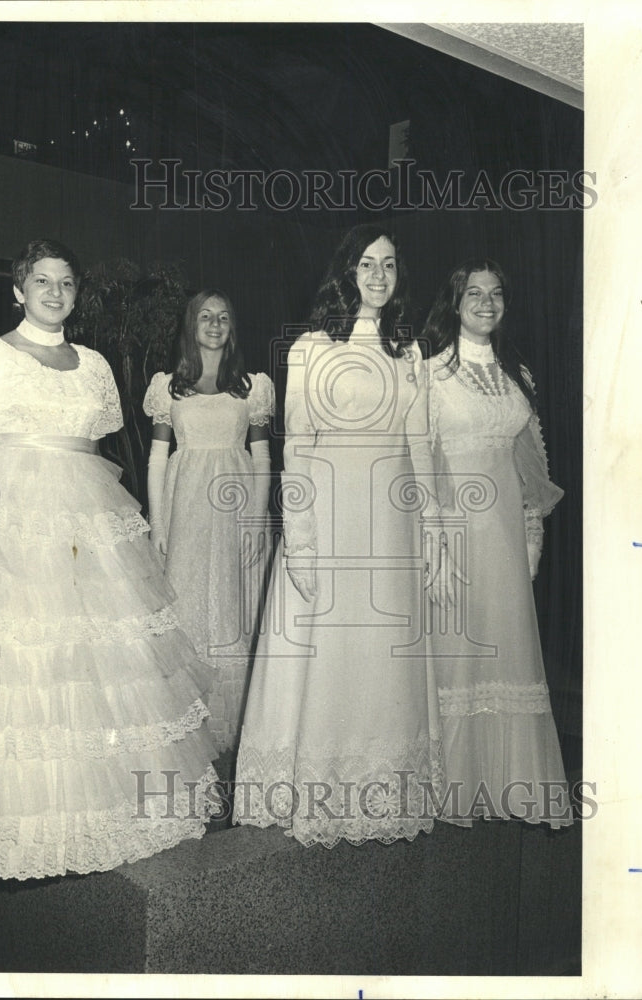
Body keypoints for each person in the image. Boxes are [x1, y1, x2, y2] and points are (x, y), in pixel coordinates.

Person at [0, 239, 220, 881]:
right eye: (41, 281)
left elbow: (89, 447)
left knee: (98, 663)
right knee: (21, 657)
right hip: (9, 513)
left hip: (85, 517)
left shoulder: (93, 365)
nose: (54, 293)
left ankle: (102, 810)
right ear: (17, 289)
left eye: (65, 283)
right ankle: (23, 822)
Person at [232, 224, 444, 847]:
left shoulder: (411, 356)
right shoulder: (310, 349)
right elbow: (296, 446)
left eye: (389, 265)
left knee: (380, 653)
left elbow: (421, 445)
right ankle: (311, 785)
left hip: (391, 520)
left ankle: (378, 789)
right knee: (323, 649)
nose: (379, 276)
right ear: (345, 272)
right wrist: (299, 535)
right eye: (366, 265)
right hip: (329, 514)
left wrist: (431, 526)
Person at [413, 258, 572, 827]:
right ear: (453, 303)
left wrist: (532, 540)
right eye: (474, 294)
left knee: (507, 654)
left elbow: (530, 472)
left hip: (504, 537)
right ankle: (449, 789)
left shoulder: (518, 376)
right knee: (456, 657)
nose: (486, 302)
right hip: (452, 537)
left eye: (496, 294)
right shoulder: (426, 375)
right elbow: (415, 469)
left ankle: (509, 786)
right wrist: (429, 544)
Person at [143, 290, 274, 756]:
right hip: (187, 508)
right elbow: (159, 458)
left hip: (237, 506)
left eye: (223, 317)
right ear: (191, 325)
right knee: (189, 599)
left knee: (235, 604)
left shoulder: (251, 387)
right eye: (205, 317)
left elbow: (261, 455)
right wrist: (158, 524)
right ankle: (188, 732)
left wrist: (258, 520)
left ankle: (236, 730)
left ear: (231, 327)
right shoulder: (169, 387)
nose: (214, 324)